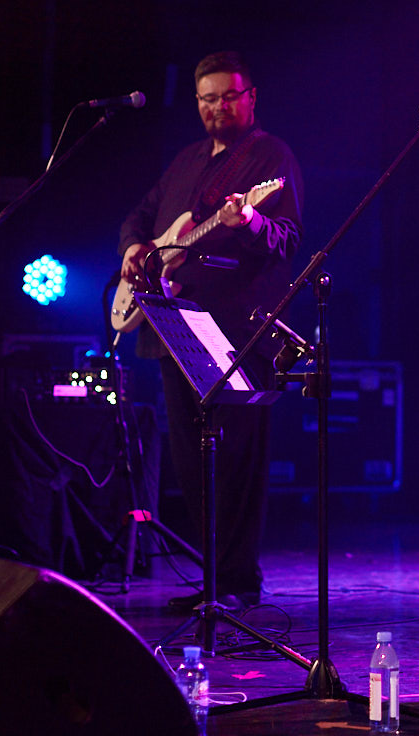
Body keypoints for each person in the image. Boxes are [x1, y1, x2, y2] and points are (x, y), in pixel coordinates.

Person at [118, 51, 303, 610]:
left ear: (250, 98)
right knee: (192, 459)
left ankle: (239, 582)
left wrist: (247, 221)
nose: (218, 106)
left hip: (236, 329)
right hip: (176, 327)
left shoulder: (270, 156)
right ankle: (214, 581)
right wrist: (134, 247)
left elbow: (286, 239)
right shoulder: (186, 161)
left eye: (229, 95)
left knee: (238, 460)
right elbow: (140, 216)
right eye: (207, 98)